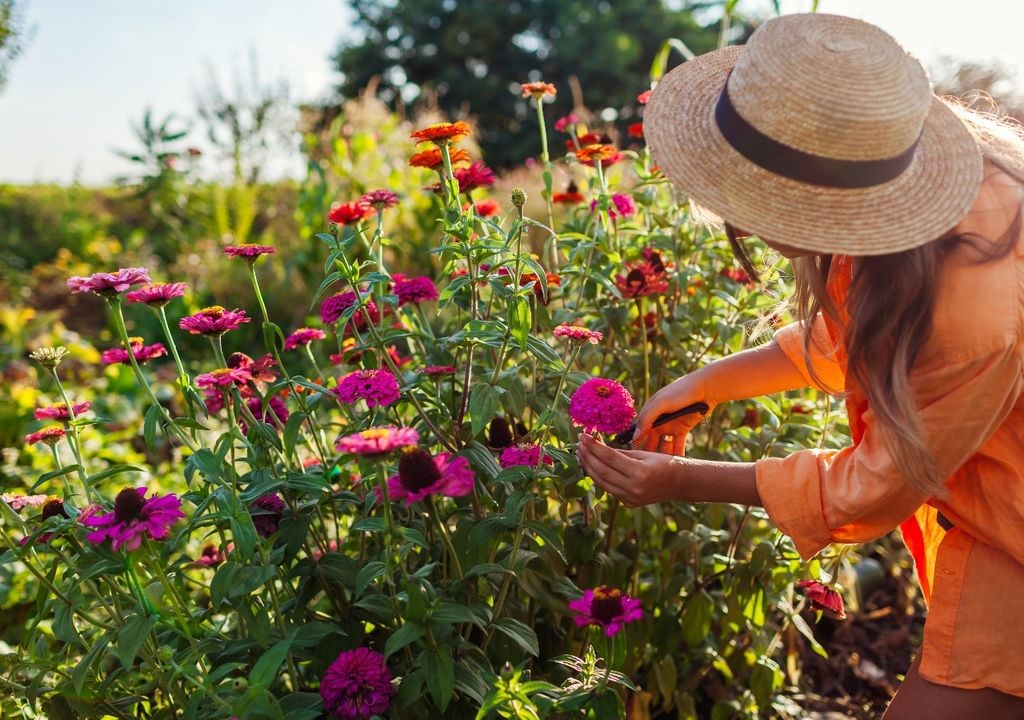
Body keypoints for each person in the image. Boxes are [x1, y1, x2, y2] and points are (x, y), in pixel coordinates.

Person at [575, 12, 1024, 719]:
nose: (743, 215)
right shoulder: (896, 197)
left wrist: (683, 481)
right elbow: (858, 336)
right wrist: (709, 382)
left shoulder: (972, 297)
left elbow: (877, 483)